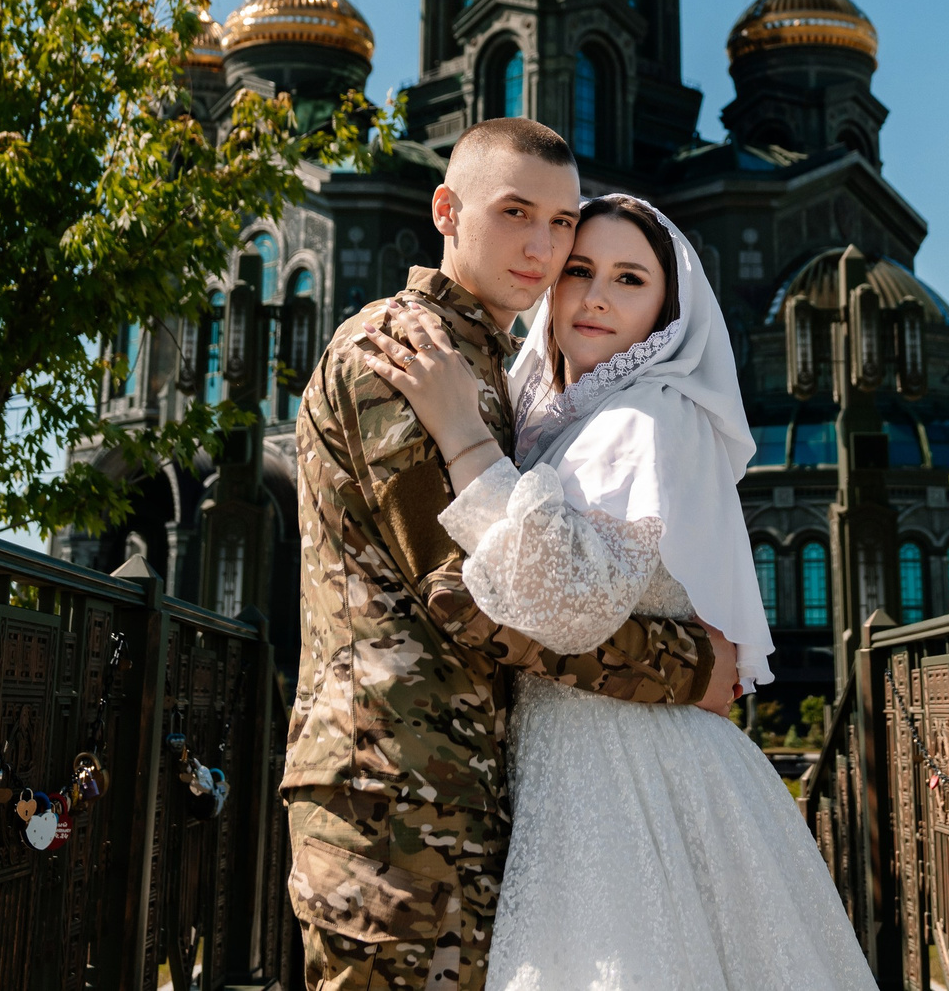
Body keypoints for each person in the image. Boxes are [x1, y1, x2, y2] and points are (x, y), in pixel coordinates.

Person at [361, 192, 878, 991]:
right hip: (599, 759)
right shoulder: (574, 422)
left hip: (626, 776)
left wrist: (460, 433)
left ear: (665, 313)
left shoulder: (641, 418)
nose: (596, 295)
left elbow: (568, 605)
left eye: (630, 278)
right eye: (579, 271)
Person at [282, 118, 741, 991]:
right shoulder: (401, 352)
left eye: (562, 222)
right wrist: (688, 668)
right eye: (516, 212)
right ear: (447, 210)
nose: (542, 247)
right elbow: (474, 596)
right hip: (390, 785)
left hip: (457, 785)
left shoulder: (496, 369)